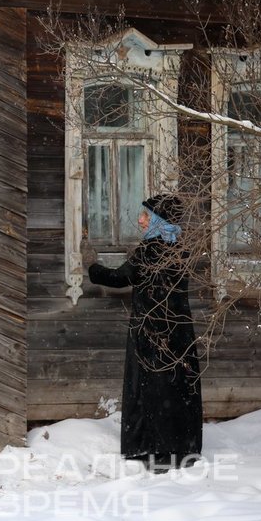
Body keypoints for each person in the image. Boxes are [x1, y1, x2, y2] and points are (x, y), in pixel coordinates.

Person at [82, 193, 202, 473]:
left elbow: (119, 278)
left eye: (146, 216)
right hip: (178, 332)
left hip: (150, 331)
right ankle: (181, 447)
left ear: (159, 219)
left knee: (151, 388)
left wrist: (91, 265)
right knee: (177, 387)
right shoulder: (181, 249)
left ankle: (154, 450)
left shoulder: (150, 251)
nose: (140, 220)